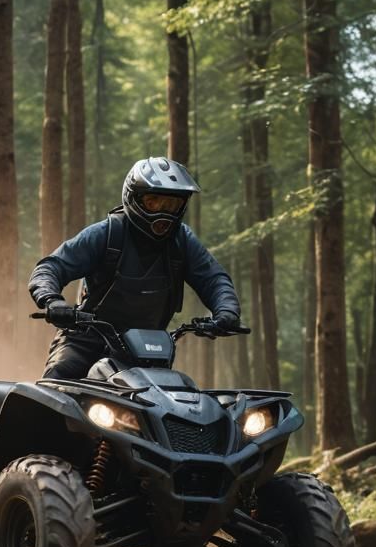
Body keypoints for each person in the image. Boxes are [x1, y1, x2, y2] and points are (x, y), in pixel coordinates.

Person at [28, 156, 241, 379]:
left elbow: (214, 279)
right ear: (134, 198)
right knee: (57, 383)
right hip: (86, 338)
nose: (163, 212)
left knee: (173, 402)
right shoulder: (106, 234)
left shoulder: (183, 241)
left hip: (148, 346)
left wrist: (227, 311)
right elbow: (51, 267)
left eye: (172, 204)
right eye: (154, 202)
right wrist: (52, 300)